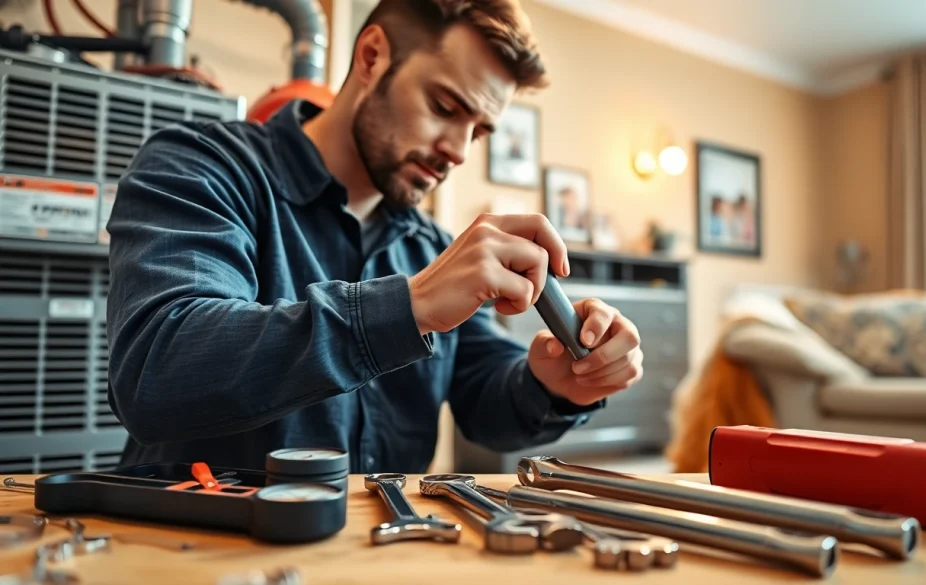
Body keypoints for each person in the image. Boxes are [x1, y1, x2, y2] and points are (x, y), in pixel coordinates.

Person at [104, 0, 645, 473]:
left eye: (478, 131)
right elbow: (158, 373)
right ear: (371, 58)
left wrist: (555, 384)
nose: (458, 151)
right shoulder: (201, 166)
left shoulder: (433, 247)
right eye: (444, 107)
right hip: (198, 542)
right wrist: (409, 307)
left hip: (377, 543)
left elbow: (486, 399)